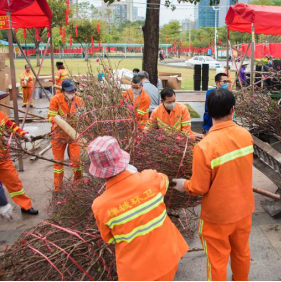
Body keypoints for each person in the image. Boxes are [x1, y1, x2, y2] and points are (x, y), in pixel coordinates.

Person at [173, 89, 255, 281]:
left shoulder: (204, 147)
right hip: (243, 210)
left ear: (207, 111)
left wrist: (184, 184)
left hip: (218, 216)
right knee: (241, 253)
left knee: (217, 260)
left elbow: (199, 187)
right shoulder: (245, 135)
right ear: (233, 109)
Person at [89, 136, 188, 281]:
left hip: (136, 272)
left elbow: (108, 238)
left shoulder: (100, 206)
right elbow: (164, 181)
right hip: (168, 256)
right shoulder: (149, 178)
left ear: (98, 172)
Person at [0, 91, 38, 216]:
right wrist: (3, 203)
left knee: (14, 182)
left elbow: (11, 126)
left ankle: (25, 206)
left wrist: (24, 134)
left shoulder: (1, 115)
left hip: (3, 158)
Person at [48, 80, 85, 191]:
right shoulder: (55, 99)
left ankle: (78, 184)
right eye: (69, 91)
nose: (72, 92)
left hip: (74, 134)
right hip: (58, 135)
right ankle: (57, 188)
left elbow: (83, 117)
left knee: (77, 161)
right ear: (63, 91)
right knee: (58, 163)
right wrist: (61, 121)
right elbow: (51, 116)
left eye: (74, 90)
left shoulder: (79, 100)